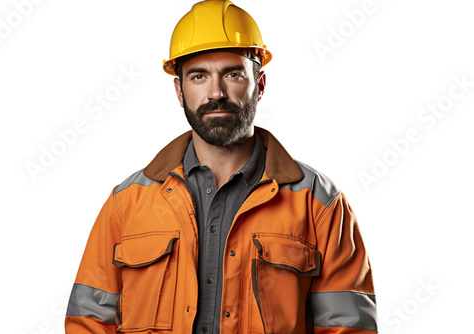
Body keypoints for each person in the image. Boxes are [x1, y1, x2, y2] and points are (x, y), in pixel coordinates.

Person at [64, 1, 378, 333]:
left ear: (259, 84)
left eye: (232, 74)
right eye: (199, 76)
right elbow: (89, 322)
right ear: (179, 90)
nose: (216, 92)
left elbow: (348, 328)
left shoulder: (319, 205)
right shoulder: (127, 203)